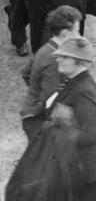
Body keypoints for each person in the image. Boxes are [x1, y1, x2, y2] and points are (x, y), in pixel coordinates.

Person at [6, 36, 96, 200]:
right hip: (66, 169)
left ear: (80, 62)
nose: (58, 59)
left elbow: (91, 134)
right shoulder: (72, 83)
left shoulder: (84, 91)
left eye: (65, 57)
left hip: (80, 175)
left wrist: (63, 132)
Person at [20, 4, 82, 138]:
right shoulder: (56, 60)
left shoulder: (45, 48)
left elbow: (26, 73)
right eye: (77, 31)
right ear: (65, 34)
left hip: (31, 114)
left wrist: (34, 91)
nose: (79, 36)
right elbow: (50, 98)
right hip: (39, 121)